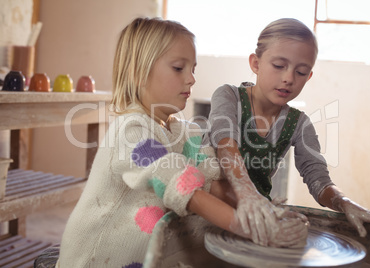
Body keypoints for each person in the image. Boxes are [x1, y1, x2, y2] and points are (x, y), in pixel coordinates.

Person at [56, 17, 308, 268]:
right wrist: (250, 229)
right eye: (179, 68)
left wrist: (264, 212)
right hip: (93, 261)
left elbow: (212, 183)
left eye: (193, 69)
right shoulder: (130, 131)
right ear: (137, 72)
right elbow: (179, 184)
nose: (191, 79)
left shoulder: (185, 133)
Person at [205, 18, 370, 245]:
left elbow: (316, 176)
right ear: (256, 64)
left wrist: (343, 202)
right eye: (279, 66)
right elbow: (225, 143)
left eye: (300, 71)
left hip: (259, 215)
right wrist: (247, 194)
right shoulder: (228, 96)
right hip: (212, 206)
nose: (288, 78)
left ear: (309, 76)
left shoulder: (299, 123)